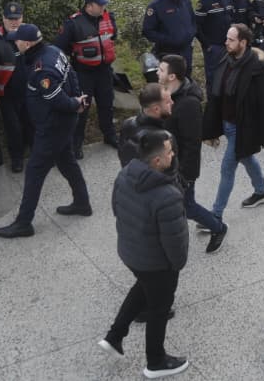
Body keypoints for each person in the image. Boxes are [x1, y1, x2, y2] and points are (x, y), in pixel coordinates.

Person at [99, 130, 190, 379]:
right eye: (170, 152)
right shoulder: (167, 195)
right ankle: (156, 361)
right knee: (159, 309)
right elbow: (175, 242)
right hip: (157, 263)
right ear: (157, 161)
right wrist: (177, 265)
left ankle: (115, 336)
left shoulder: (125, 174)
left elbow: (116, 208)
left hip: (132, 253)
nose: (174, 154)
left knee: (142, 288)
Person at [0, 24, 92, 238]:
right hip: (63, 122)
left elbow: (57, 100)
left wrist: (75, 103)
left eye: (17, 40)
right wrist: (78, 99)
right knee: (67, 162)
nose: (15, 43)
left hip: (53, 126)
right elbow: (72, 76)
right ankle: (82, 203)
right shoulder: (54, 51)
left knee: (34, 172)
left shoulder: (41, 70)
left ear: (28, 43)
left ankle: (23, 223)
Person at [202, 24, 264, 224]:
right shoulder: (227, 59)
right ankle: (262, 191)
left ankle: (215, 216)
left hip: (241, 127)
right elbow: (217, 95)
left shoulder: (255, 69)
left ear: (243, 42)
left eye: (231, 40)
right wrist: (211, 128)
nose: (226, 42)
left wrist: (263, 134)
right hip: (226, 123)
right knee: (246, 157)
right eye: (227, 38)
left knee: (227, 169)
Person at [158, 54, 227, 248]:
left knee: (187, 207)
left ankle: (218, 227)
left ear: (172, 76)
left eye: (161, 70)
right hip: (168, 162)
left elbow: (192, 143)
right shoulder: (167, 93)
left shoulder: (189, 104)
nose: (157, 72)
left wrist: (185, 175)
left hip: (181, 168)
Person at [53, 0, 120, 157]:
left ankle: (109, 135)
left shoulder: (108, 18)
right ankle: (76, 143)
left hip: (104, 70)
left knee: (107, 104)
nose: (103, 7)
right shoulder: (73, 23)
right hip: (83, 73)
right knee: (81, 107)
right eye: (100, 5)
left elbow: (113, 37)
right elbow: (59, 48)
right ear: (89, 6)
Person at [0, 2, 31, 172]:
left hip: (29, 90)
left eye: (17, 18)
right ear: (3, 18)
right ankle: (17, 158)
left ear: (22, 18)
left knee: (32, 123)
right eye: (10, 18)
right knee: (13, 128)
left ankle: (36, 153)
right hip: (7, 93)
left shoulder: (29, 33)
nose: (14, 22)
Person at [144, 0, 197, 76]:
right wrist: (169, 40)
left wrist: (191, 35)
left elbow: (193, 21)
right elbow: (148, 31)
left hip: (186, 52)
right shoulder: (156, 6)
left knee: (186, 80)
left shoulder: (185, 1)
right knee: (170, 81)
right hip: (168, 54)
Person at [117, 84, 173, 168]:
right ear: (156, 109)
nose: (172, 102)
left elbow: (122, 153)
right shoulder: (164, 137)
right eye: (168, 102)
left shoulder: (127, 123)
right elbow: (170, 171)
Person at [194, 0, 234, 86]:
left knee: (228, 76)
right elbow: (196, 26)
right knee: (213, 77)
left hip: (228, 45)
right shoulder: (204, 2)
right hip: (213, 47)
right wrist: (207, 45)